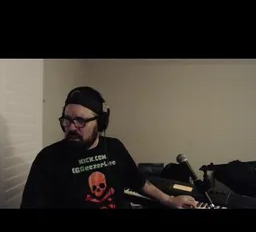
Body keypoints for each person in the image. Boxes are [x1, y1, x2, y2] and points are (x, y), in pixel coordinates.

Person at [20, 87, 198, 209]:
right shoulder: (48, 158)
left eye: (80, 120)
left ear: (100, 122)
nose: (71, 127)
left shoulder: (115, 148)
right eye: (67, 120)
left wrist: (168, 199)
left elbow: (139, 182)